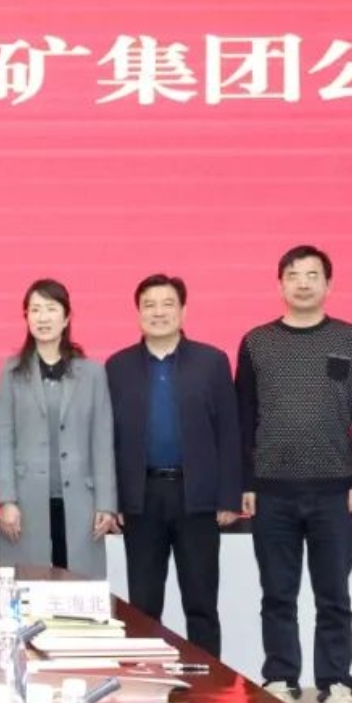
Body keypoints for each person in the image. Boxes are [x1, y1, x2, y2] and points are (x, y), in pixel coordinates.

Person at [237, 244, 352, 703]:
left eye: (312, 275)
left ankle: (337, 688)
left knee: (333, 596)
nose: (303, 283)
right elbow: (243, 418)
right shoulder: (256, 343)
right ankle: (280, 681)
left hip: (335, 492)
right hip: (272, 491)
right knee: (277, 593)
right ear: (280, 284)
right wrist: (245, 482)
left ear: (328, 284)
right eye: (293, 275)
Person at [105, 274, 241, 656]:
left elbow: (229, 431)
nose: (158, 312)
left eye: (167, 304)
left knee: (201, 602)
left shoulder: (211, 362)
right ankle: (147, 679)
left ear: (183, 310)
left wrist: (228, 496)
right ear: (138, 313)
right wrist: (113, 499)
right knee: (143, 604)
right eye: (149, 305)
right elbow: (107, 438)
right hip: (141, 499)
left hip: (196, 498)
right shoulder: (118, 366)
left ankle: (209, 681)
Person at [0, 279, 117, 577]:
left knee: (77, 590)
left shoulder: (92, 373)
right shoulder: (11, 372)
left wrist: (106, 503)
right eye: (35, 310)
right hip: (26, 502)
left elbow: (102, 441)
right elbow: (3, 438)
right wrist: (7, 500)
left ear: (67, 317)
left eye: (51, 309)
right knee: (29, 587)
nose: (43, 317)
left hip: (81, 502)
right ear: (26, 317)